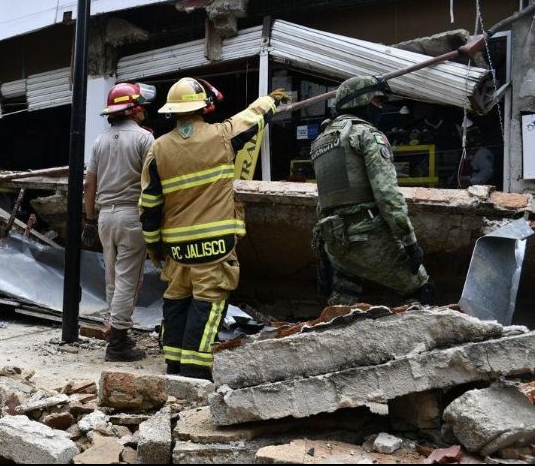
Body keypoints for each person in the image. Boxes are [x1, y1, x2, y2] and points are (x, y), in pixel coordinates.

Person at [139, 77, 290, 380]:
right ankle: (195, 371)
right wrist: (274, 99)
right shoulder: (222, 136)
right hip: (214, 243)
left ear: (172, 112)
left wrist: (155, 247)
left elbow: (149, 206)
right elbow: (253, 117)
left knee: (178, 298)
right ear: (204, 107)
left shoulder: (158, 148)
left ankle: (173, 364)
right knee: (208, 303)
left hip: (177, 247)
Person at [310, 75, 434, 307]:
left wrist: (324, 254)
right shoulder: (367, 135)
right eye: (377, 101)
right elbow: (386, 194)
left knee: (341, 305)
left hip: (335, 242)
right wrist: (409, 241)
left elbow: (324, 202)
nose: (381, 107)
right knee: (422, 288)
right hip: (367, 237)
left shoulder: (322, 140)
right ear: (361, 101)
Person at [83, 82, 156, 362]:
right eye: (142, 107)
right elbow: (153, 182)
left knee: (112, 277)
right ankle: (118, 343)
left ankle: (114, 328)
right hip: (131, 216)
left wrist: (90, 217)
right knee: (128, 279)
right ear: (134, 109)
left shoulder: (100, 141)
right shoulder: (144, 139)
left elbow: (90, 183)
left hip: (104, 217)